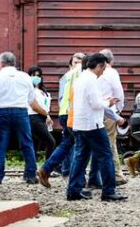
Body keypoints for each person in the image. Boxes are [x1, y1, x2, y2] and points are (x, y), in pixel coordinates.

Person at [66, 53, 127, 201]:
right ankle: (108, 191)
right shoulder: (92, 80)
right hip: (93, 124)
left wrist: (109, 108)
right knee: (105, 156)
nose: (103, 71)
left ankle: (73, 190)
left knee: (80, 157)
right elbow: (96, 104)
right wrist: (109, 103)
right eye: (103, 68)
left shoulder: (80, 79)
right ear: (98, 66)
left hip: (80, 124)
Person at [0, 52, 44, 184]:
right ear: (13, 62)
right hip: (21, 112)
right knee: (27, 143)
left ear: (2, 63)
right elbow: (31, 98)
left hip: (2, 113)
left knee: (0, 145)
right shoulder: (25, 77)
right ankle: (31, 175)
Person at [37, 52, 84, 188]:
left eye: (81, 61)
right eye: (76, 62)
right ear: (71, 64)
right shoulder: (77, 75)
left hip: (67, 113)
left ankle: (46, 169)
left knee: (68, 143)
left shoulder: (67, 76)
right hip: (72, 114)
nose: (79, 64)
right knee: (79, 145)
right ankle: (76, 179)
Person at [98, 49, 127, 185]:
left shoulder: (93, 72)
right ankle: (116, 175)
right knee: (110, 143)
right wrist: (118, 111)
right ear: (112, 60)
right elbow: (118, 93)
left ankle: (98, 175)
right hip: (109, 110)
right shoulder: (112, 73)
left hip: (96, 111)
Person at [27, 66, 56, 163]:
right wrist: (46, 115)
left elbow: (44, 106)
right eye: (33, 75)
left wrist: (47, 116)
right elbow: (35, 107)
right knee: (50, 142)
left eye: (38, 75)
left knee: (35, 144)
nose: (36, 77)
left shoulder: (43, 91)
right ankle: (47, 168)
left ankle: (31, 170)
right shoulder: (29, 90)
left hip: (41, 118)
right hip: (34, 117)